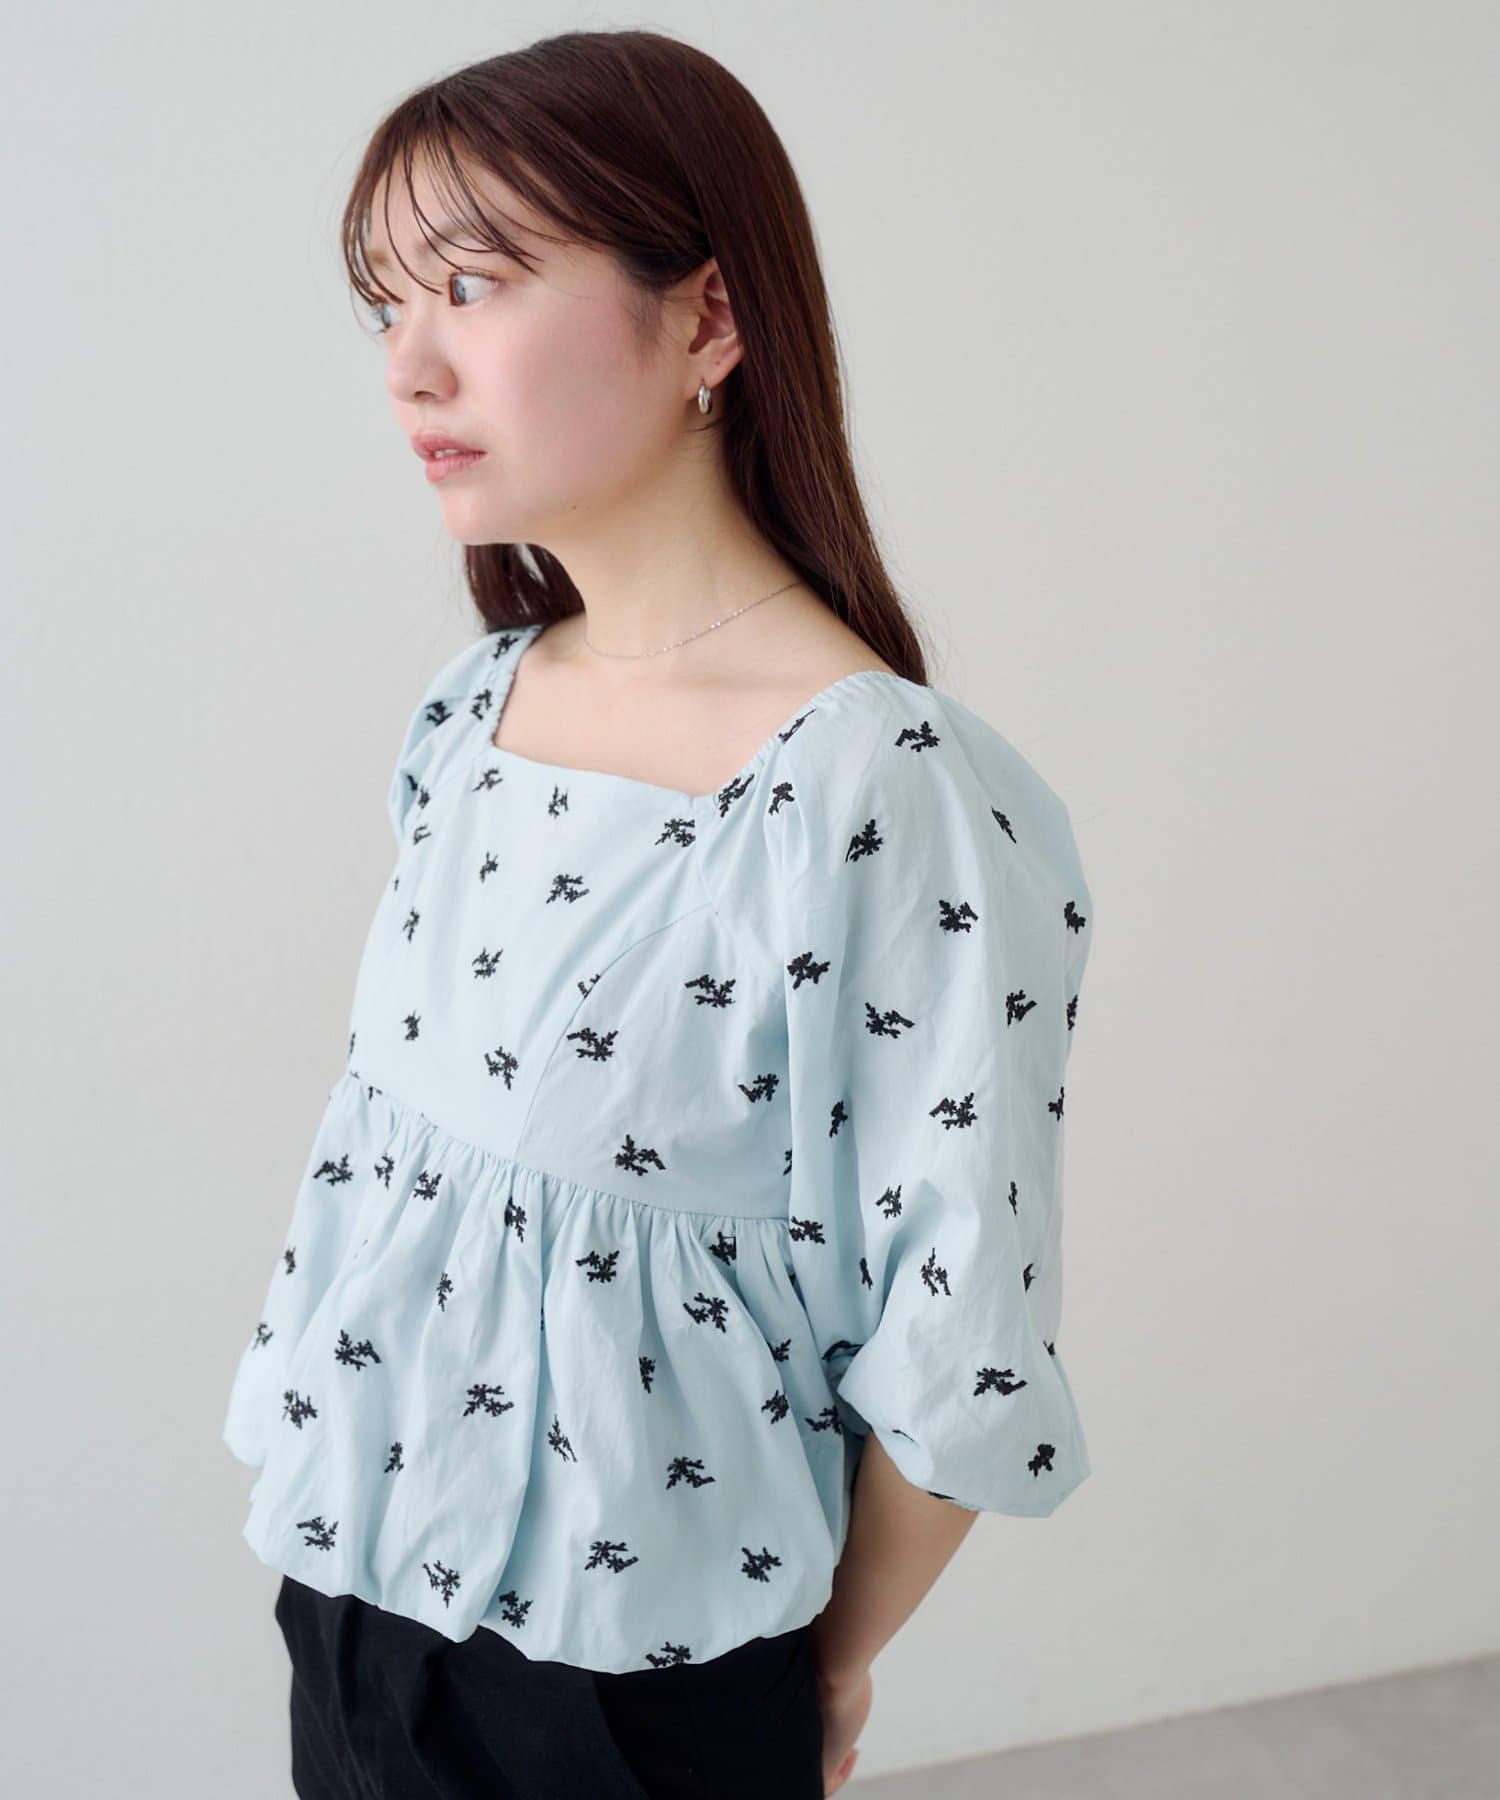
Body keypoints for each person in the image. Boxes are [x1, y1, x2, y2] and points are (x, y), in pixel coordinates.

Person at [222, 26, 1096, 1800]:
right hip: (349, 1606)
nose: (409, 366)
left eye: (473, 284)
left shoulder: (879, 785)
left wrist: (821, 1679)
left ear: (708, 319)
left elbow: (957, 1329)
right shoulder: (474, 711)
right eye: (386, 302)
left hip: (632, 1693)